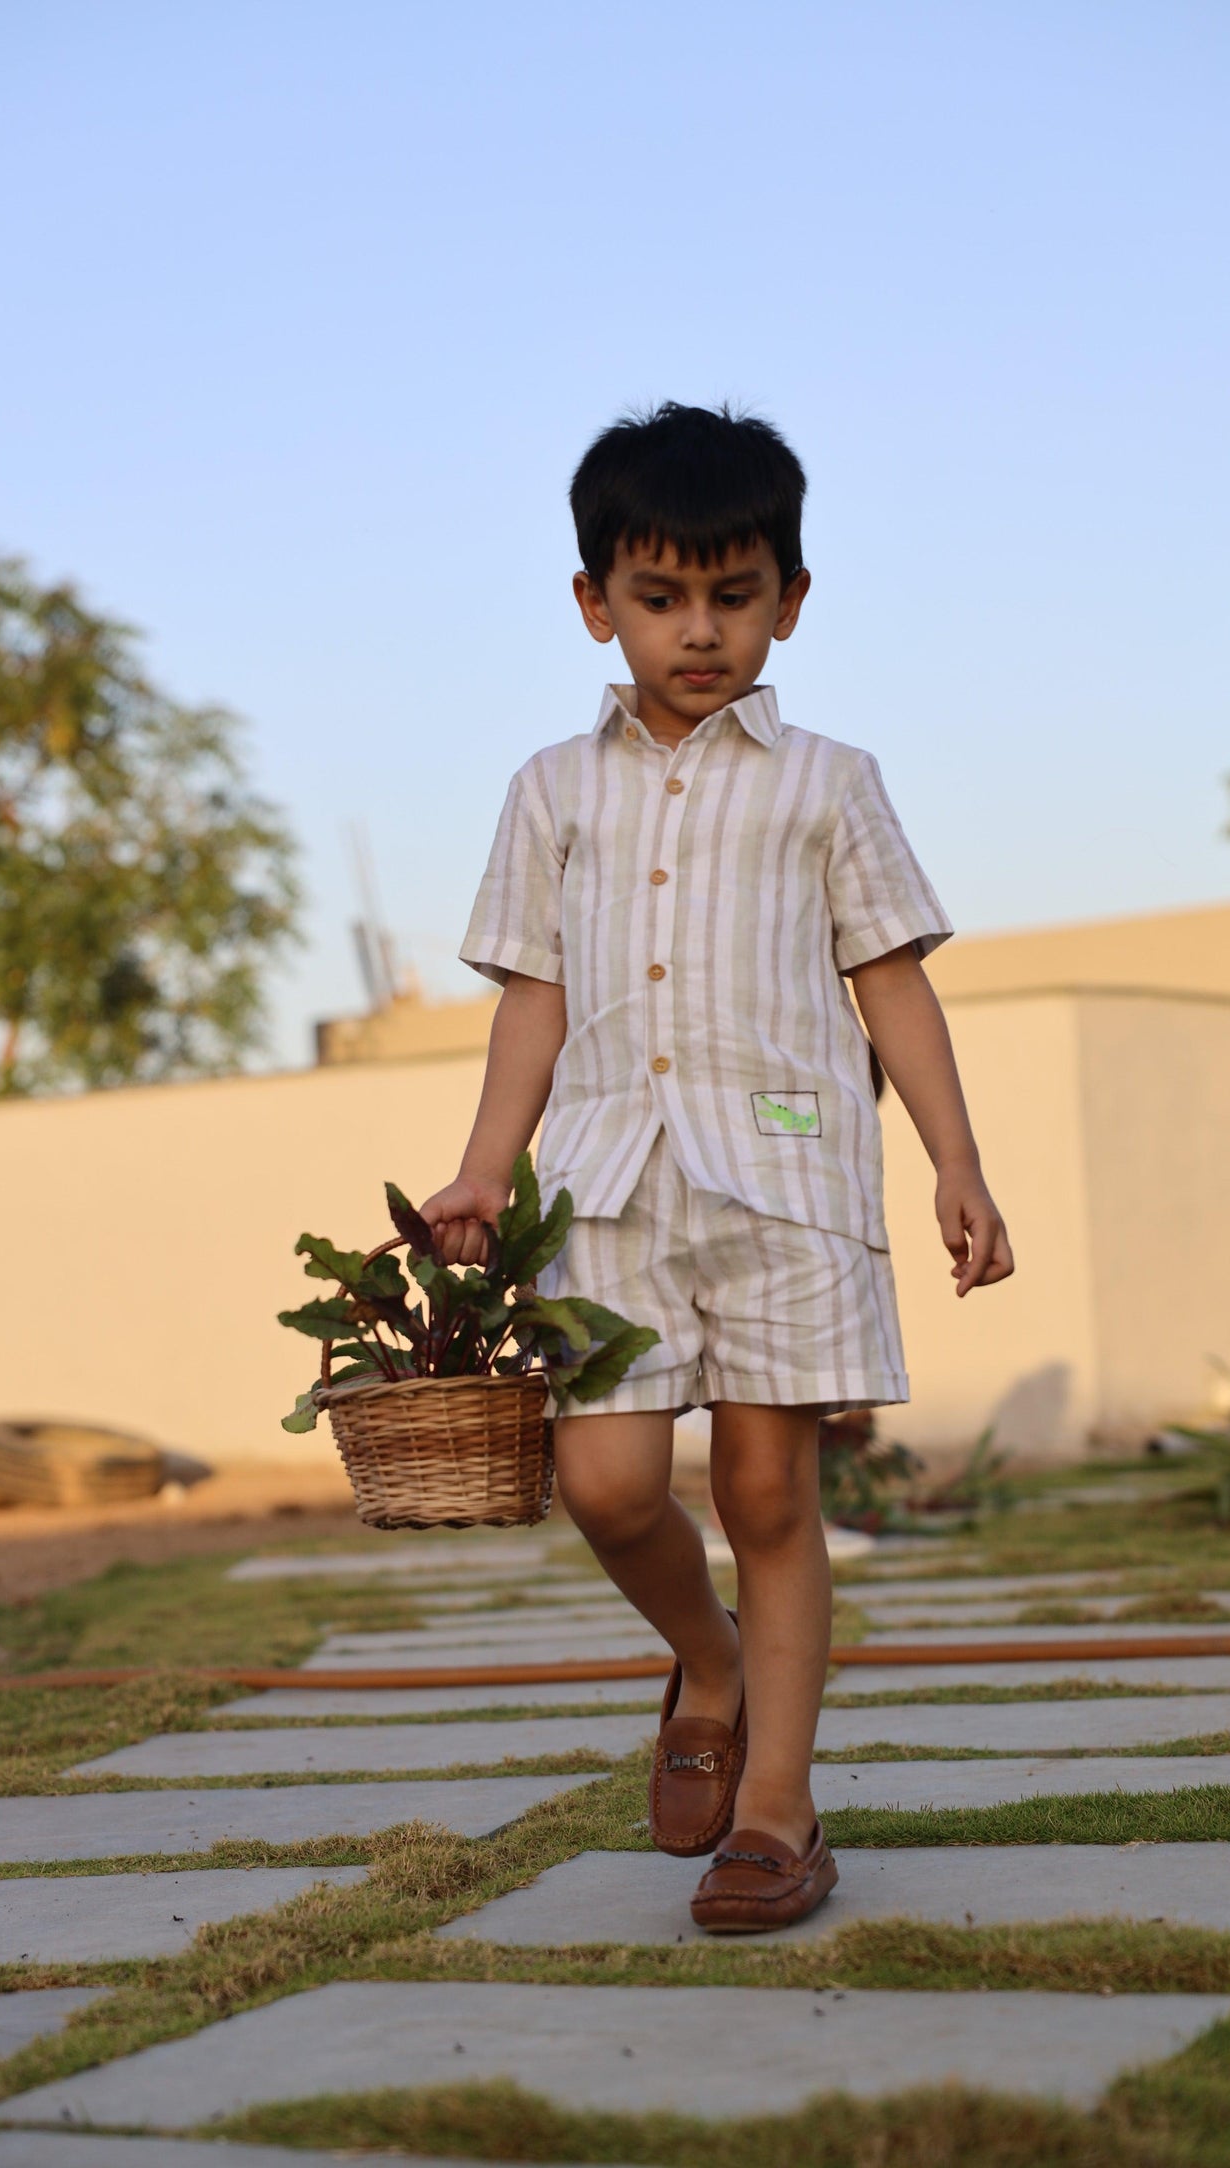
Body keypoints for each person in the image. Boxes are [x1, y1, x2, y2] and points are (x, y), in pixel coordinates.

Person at [420, 401, 1014, 1932]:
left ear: (788, 601)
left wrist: (956, 1161)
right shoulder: (551, 790)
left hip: (790, 1185)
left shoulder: (830, 779)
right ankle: (707, 1659)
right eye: (660, 598)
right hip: (607, 1184)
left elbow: (889, 977)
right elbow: (533, 998)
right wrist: (484, 1168)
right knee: (605, 1484)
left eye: (731, 597)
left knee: (765, 1485)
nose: (698, 631)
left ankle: (776, 1810)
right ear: (594, 604)